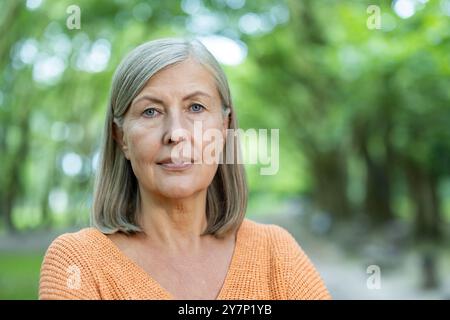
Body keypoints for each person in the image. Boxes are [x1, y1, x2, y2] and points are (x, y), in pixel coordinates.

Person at [39, 37, 331, 300]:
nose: (176, 133)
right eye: (150, 111)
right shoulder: (78, 263)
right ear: (121, 138)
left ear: (224, 126)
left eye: (195, 108)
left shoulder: (275, 253)